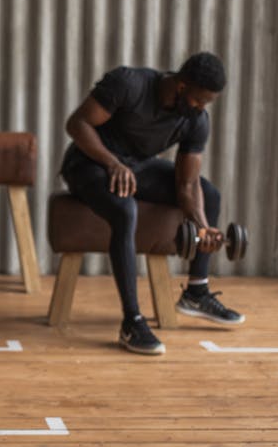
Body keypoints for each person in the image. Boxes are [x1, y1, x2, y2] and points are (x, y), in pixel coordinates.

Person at [60, 52, 244, 355]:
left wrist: (202, 227)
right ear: (182, 86)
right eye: (199, 100)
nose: (201, 109)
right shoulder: (130, 84)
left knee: (208, 195)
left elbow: (186, 184)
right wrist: (112, 163)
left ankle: (196, 291)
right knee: (124, 209)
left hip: (136, 169)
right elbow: (77, 124)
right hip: (88, 164)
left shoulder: (196, 121)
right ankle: (132, 321)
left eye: (207, 104)